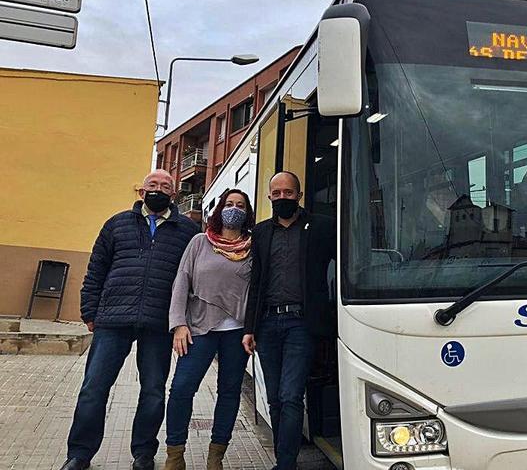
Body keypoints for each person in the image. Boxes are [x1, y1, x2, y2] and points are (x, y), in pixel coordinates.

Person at [61, 170, 200, 470]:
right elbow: (96, 269)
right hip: (112, 319)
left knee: (153, 391)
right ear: (141, 191)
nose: (158, 190)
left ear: (174, 194)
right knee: (93, 388)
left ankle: (143, 453)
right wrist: (89, 311)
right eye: (153, 185)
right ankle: (79, 454)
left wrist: (182, 321)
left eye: (165, 186)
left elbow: (192, 279)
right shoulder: (116, 224)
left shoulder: (187, 231)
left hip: (158, 323)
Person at [242, 171, 335, 470]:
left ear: (299, 195)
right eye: (277, 193)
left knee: (291, 395)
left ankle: (285, 464)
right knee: (275, 399)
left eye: (288, 193)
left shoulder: (321, 227)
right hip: (267, 324)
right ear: (270, 196)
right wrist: (249, 328)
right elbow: (255, 282)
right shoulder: (260, 232)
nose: (283, 198)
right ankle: (286, 460)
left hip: (300, 324)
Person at [163, 189, 255, 470]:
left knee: (229, 393)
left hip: (237, 332)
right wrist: (178, 323)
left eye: (240, 205)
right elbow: (182, 281)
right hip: (198, 328)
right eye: (229, 204)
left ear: (247, 212)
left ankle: (216, 457)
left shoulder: (254, 246)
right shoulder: (199, 242)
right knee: (181, 389)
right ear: (220, 209)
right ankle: (175, 456)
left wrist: (254, 329)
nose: (234, 209)